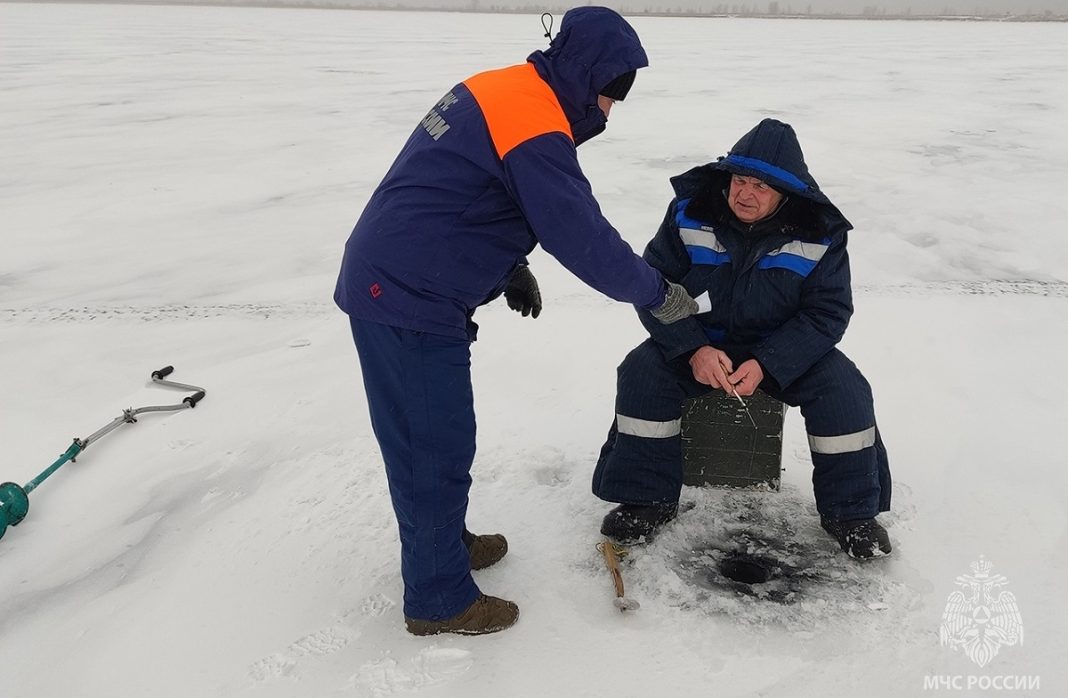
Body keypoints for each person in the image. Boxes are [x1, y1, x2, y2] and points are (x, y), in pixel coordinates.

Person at [334, 6, 698, 636]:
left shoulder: (508, 88)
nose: (611, 111)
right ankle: (439, 599)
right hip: (405, 293)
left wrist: (507, 266)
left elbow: (463, 189)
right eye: (610, 93)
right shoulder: (533, 119)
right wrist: (655, 292)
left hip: (404, 275)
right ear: (584, 74)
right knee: (433, 445)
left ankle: (442, 542)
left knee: (436, 436)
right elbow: (579, 234)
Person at [591, 118, 893, 559]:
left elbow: (827, 312)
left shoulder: (820, 234)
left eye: (761, 187)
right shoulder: (688, 214)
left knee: (845, 390)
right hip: (700, 341)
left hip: (781, 348)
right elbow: (653, 288)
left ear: (786, 193)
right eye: (740, 180)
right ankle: (645, 500)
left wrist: (770, 363)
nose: (745, 194)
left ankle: (851, 514)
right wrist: (693, 348)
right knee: (641, 372)